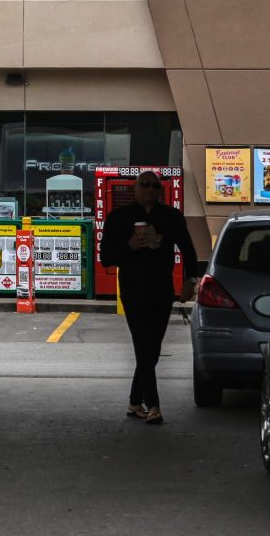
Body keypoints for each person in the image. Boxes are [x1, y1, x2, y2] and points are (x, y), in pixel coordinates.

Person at [99, 172, 201, 425]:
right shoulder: (119, 218)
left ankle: (135, 402)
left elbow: (188, 250)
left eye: (155, 185)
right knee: (143, 345)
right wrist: (131, 246)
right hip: (133, 291)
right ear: (135, 188)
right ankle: (153, 404)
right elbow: (106, 258)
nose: (150, 189)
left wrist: (190, 281)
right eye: (145, 184)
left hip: (162, 290)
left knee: (151, 348)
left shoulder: (171, 217)